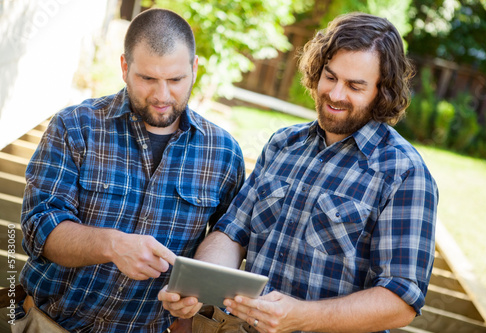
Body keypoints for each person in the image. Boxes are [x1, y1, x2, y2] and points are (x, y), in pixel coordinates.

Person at [159, 12, 438, 333]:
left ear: (382, 91)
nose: (335, 94)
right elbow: (233, 232)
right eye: (330, 77)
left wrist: (301, 316)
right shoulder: (283, 144)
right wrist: (198, 286)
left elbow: (401, 299)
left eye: (355, 86)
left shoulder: (404, 173)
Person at [16, 8, 245, 332]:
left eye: (176, 80)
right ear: (125, 67)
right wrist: (111, 245)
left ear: (194, 69)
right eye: (148, 78)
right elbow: (39, 228)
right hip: (46, 323)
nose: (162, 96)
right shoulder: (75, 126)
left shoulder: (223, 154)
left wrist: (194, 299)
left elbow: (226, 244)